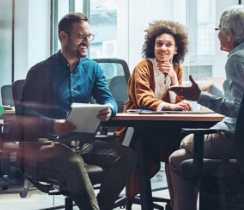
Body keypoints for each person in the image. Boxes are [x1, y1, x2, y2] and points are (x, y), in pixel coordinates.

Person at [17, 12, 136, 210]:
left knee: (127, 156)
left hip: (83, 142)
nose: (87, 41)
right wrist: (53, 124)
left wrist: (110, 109)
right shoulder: (41, 71)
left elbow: (108, 98)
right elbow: (23, 113)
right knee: (73, 162)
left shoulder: (93, 69)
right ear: (64, 37)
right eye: (81, 36)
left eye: (89, 36)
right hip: (47, 145)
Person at [168, 5, 244, 210]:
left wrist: (200, 97)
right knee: (178, 158)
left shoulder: (236, 59)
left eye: (219, 30)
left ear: (229, 33)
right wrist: (209, 92)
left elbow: (240, 110)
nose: (218, 35)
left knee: (185, 143)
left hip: (239, 139)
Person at [115, 20, 191, 204]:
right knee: (147, 146)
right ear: (152, 47)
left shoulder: (177, 69)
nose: (163, 48)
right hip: (136, 128)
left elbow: (179, 102)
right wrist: (170, 106)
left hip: (162, 127)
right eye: (159, 44)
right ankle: (146, 203)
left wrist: (173, 77)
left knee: (179, 143)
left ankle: (176, 204)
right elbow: (143, 99)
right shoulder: (143, 67)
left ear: (176, 49)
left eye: (168, 45)